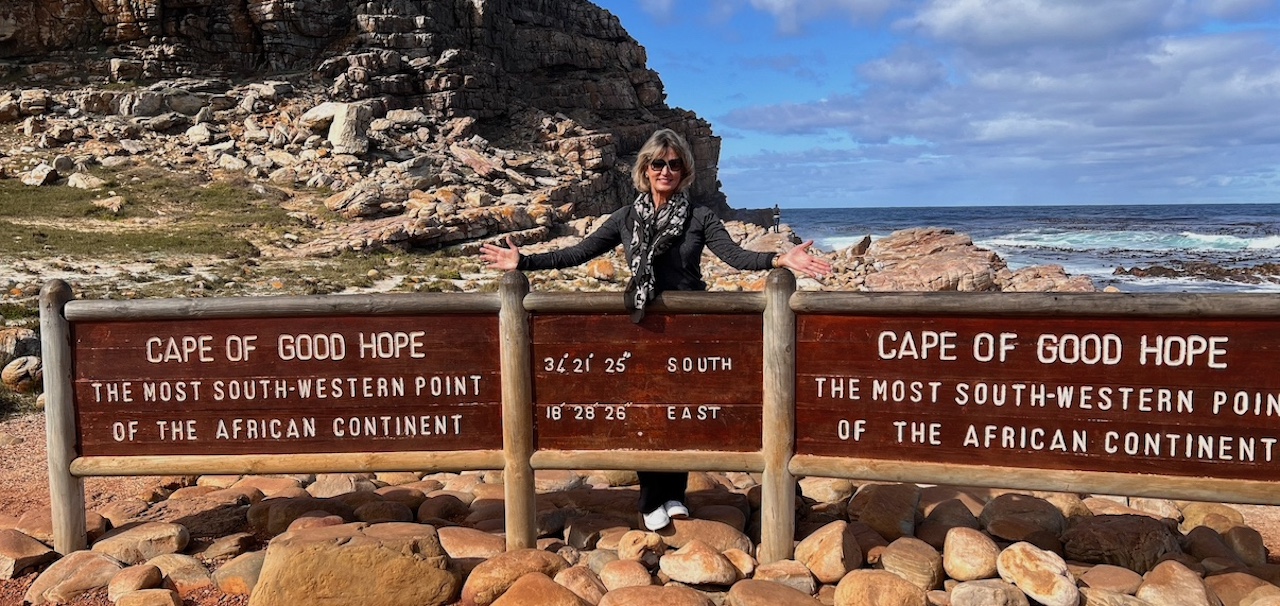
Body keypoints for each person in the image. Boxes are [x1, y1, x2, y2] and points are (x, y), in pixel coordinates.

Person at [481, 128, 832, 530]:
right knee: (648, 410)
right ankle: (650, 500)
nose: (666, 170)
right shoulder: (627, 218)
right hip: (644, 329)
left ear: (685, 171)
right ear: (645, 169)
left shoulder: (700, 216)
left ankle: (675, 495)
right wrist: (524, 262)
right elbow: (579, 253)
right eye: (658, 163)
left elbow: (734, 256)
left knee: (681, 412)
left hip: (687, 328)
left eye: (675, 164)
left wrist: (777, 260)